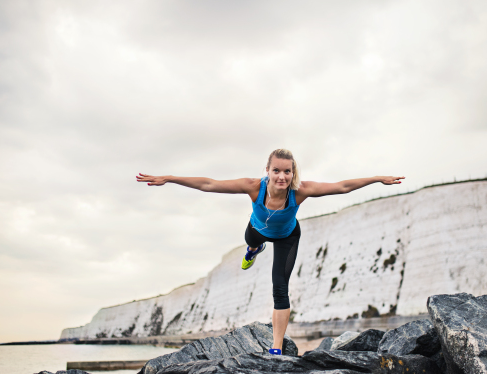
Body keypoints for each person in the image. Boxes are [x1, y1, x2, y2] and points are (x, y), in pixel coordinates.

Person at [136, 149, 404, 355]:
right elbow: (209, 184)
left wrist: (378, 179)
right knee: (250, 240)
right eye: (276, 170)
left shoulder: (300, 192)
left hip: (288, 237)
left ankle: (276, 348)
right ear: (268, 170)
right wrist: (169, 178)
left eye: (287, 171)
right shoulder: (254, 186)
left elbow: (342, 186)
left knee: (280, 288)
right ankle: (254, 250)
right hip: (258, 231)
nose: (282, 177)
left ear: (292, 172)